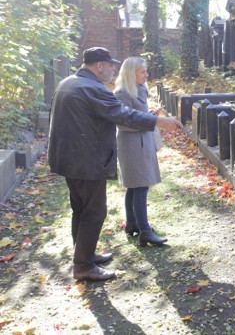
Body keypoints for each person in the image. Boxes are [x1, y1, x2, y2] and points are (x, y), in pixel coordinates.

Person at [48, 47, 182, 282]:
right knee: (94, 211)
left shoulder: (69, 82)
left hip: (68, 158)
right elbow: (123, 115)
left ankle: (84, 255)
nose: (113, 69)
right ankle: (83, 266)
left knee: (80, 209)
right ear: (99, 65)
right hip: (86, 160)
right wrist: (158, 121)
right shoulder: (93, 88)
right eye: (110, 65)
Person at [113, 57, 166, 246]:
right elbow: (122, 122)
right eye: (142, 71)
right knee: (140, 186)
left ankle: (132, 224)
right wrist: (147, 121)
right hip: (132, 144)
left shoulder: (139, 89)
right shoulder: (122, 93)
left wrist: (149, 117)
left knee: (134, 186)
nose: (147, 74)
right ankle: (145, 231)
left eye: (146, 71)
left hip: (142, 142)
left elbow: (137, 116)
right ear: (131, 72)